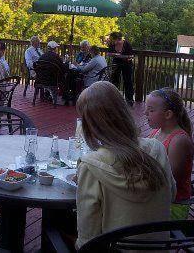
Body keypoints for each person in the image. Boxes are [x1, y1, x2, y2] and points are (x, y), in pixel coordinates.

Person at [75, 81, 176, 249]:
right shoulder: (156, 148)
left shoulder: (91, 165)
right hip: (158, 248)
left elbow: (88, 238)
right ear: (123, 111)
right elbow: (171, 194)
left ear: (89, 124)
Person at [146, 88, 194, 219]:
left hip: (173, 205)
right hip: (156, 195)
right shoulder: (156, 132)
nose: (145, 113)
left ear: (168, 114)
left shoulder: (179, 141)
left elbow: (169, 181)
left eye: (151, 110)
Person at [106, 31, 134, 106]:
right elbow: (108, 53)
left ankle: (129, 100)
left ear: (118, 39)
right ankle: (114, 99)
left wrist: (121, 56)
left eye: (113, 39)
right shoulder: (112, 44)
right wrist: (113, 54)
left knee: (128, 81)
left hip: (127, 64)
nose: (112, 41)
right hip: (116, 64)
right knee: (114, 81)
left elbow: (131, 56)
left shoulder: (126, 44)